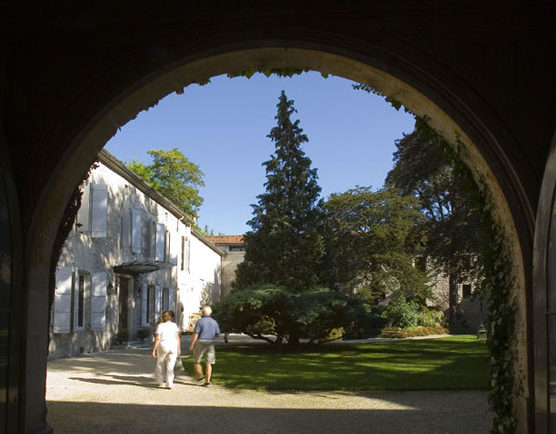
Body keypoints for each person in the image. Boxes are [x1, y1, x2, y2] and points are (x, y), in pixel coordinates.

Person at [188, 305, 220, 387]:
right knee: (209, 362)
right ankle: (207, 381)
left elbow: (196, 334)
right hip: (210, 342)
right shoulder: (214, 322)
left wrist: (192, 344)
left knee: (196, 360)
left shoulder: (200, 321)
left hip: (201, 341)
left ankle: (200, 376)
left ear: (203, 312)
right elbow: (217, 334)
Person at [152, 310, 181, 389]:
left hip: (163, 345)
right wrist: (179, 348)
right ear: (171, 317)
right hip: (173, 345)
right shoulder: (174, 325)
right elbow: (177, 337)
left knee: (160, 364)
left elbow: (157, 338)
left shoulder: (160, 326)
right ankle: (169, 383)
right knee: (170, 366)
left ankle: (160, 381)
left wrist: (154, 350)